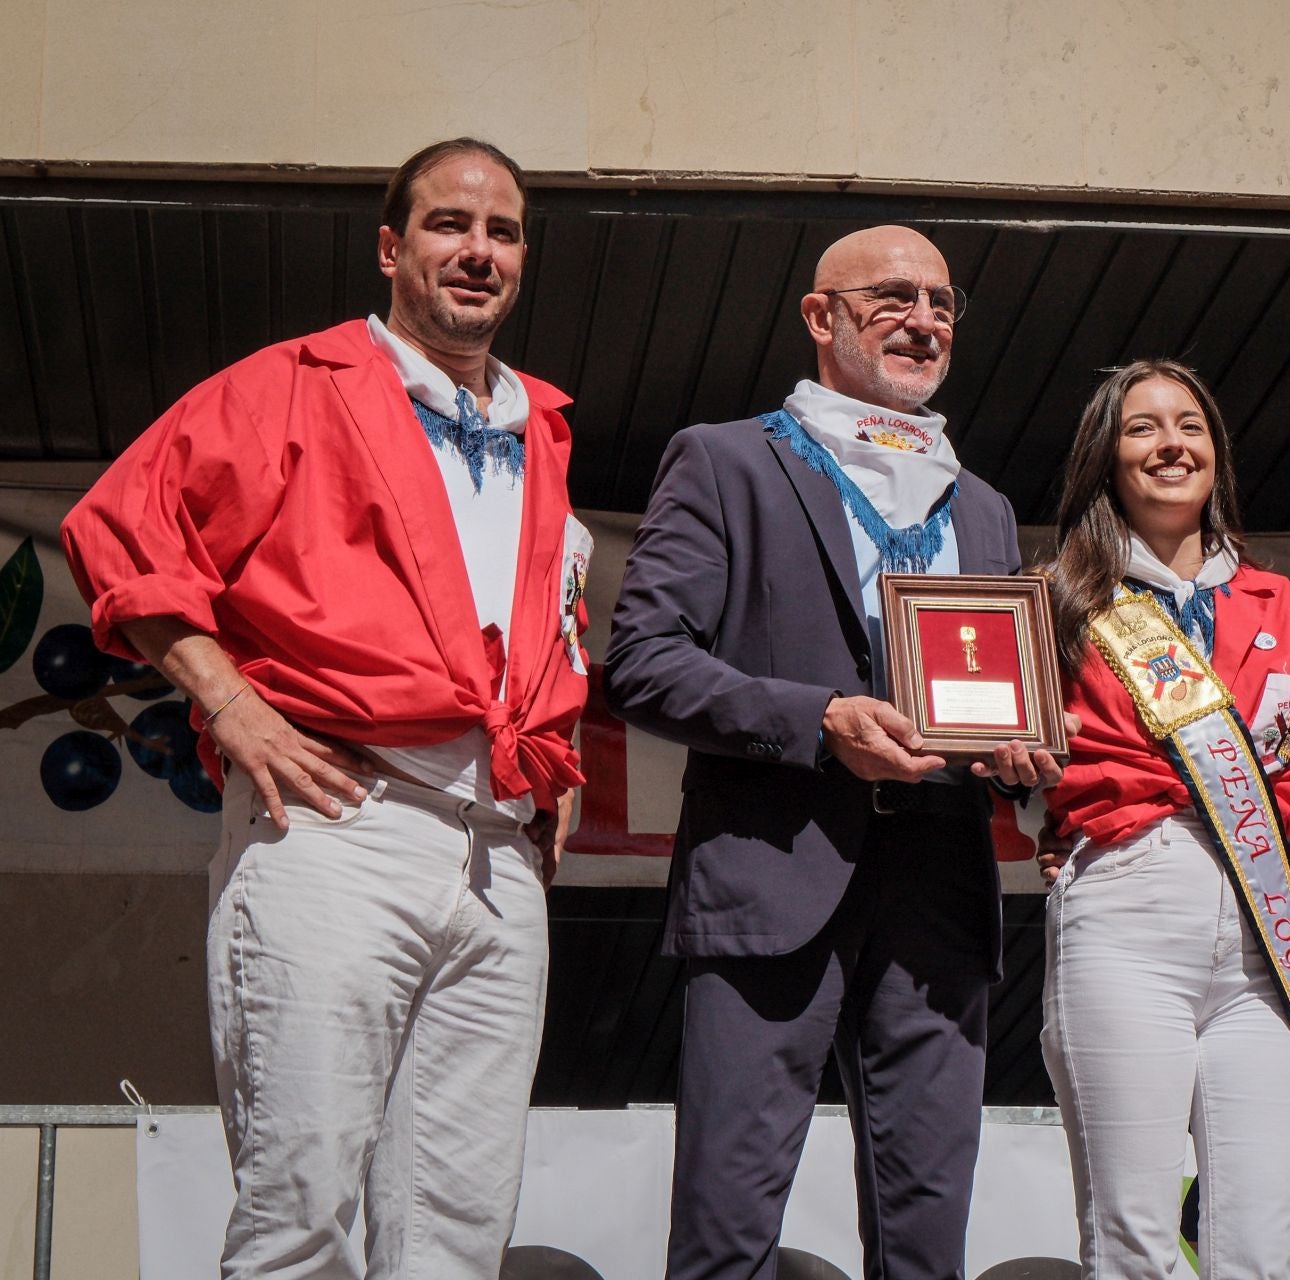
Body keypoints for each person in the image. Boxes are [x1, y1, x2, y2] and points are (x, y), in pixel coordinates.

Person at [61, 138, 588, 1277]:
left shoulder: (540, 424)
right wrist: (232, 704)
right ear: (392, 247)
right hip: (344, 821)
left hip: (498, 861)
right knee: (301, 1209)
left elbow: (545, 622)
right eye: (451, 224)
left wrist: (561, 757)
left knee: (456, 1232)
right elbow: (119, 530)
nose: (478, 251)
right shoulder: (296, 380)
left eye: (502, 232)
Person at [604, 225, 1063, 1280]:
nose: (925, 320)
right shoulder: (725, 458)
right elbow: (641, 660)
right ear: (821, 316)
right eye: (894, 297)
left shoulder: (982, 506)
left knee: (928, 1244)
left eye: (944, 303)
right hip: (773, 875)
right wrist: (820, 720)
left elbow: (995, 693)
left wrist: (1026, 752)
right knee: (726, 1233)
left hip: (941, 891)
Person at [1038, 360, 1290, 1277]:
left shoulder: (1282, 603)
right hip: (1127, 901)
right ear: (1105, 458)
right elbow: (1017, 754)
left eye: (1190, 426)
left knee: (1264, 1233)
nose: (1171, 444)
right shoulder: (1058, 598)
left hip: (1261, 930)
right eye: (1142, 428)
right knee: (1133, 1229)